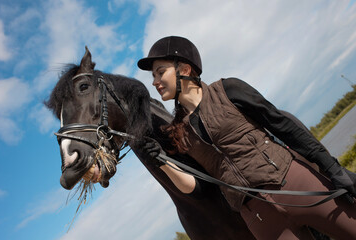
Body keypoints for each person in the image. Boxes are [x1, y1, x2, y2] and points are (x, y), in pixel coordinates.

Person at [137, 36, 356, 240]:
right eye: (153, 76)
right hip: (258, 216)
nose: (155, 81)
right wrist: (161, 161)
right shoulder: (179, 133)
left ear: (184, 68)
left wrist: (333, 169)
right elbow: (200, 189)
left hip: (293, 183)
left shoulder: (228, 89)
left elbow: (284, 125)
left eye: (160, 72)